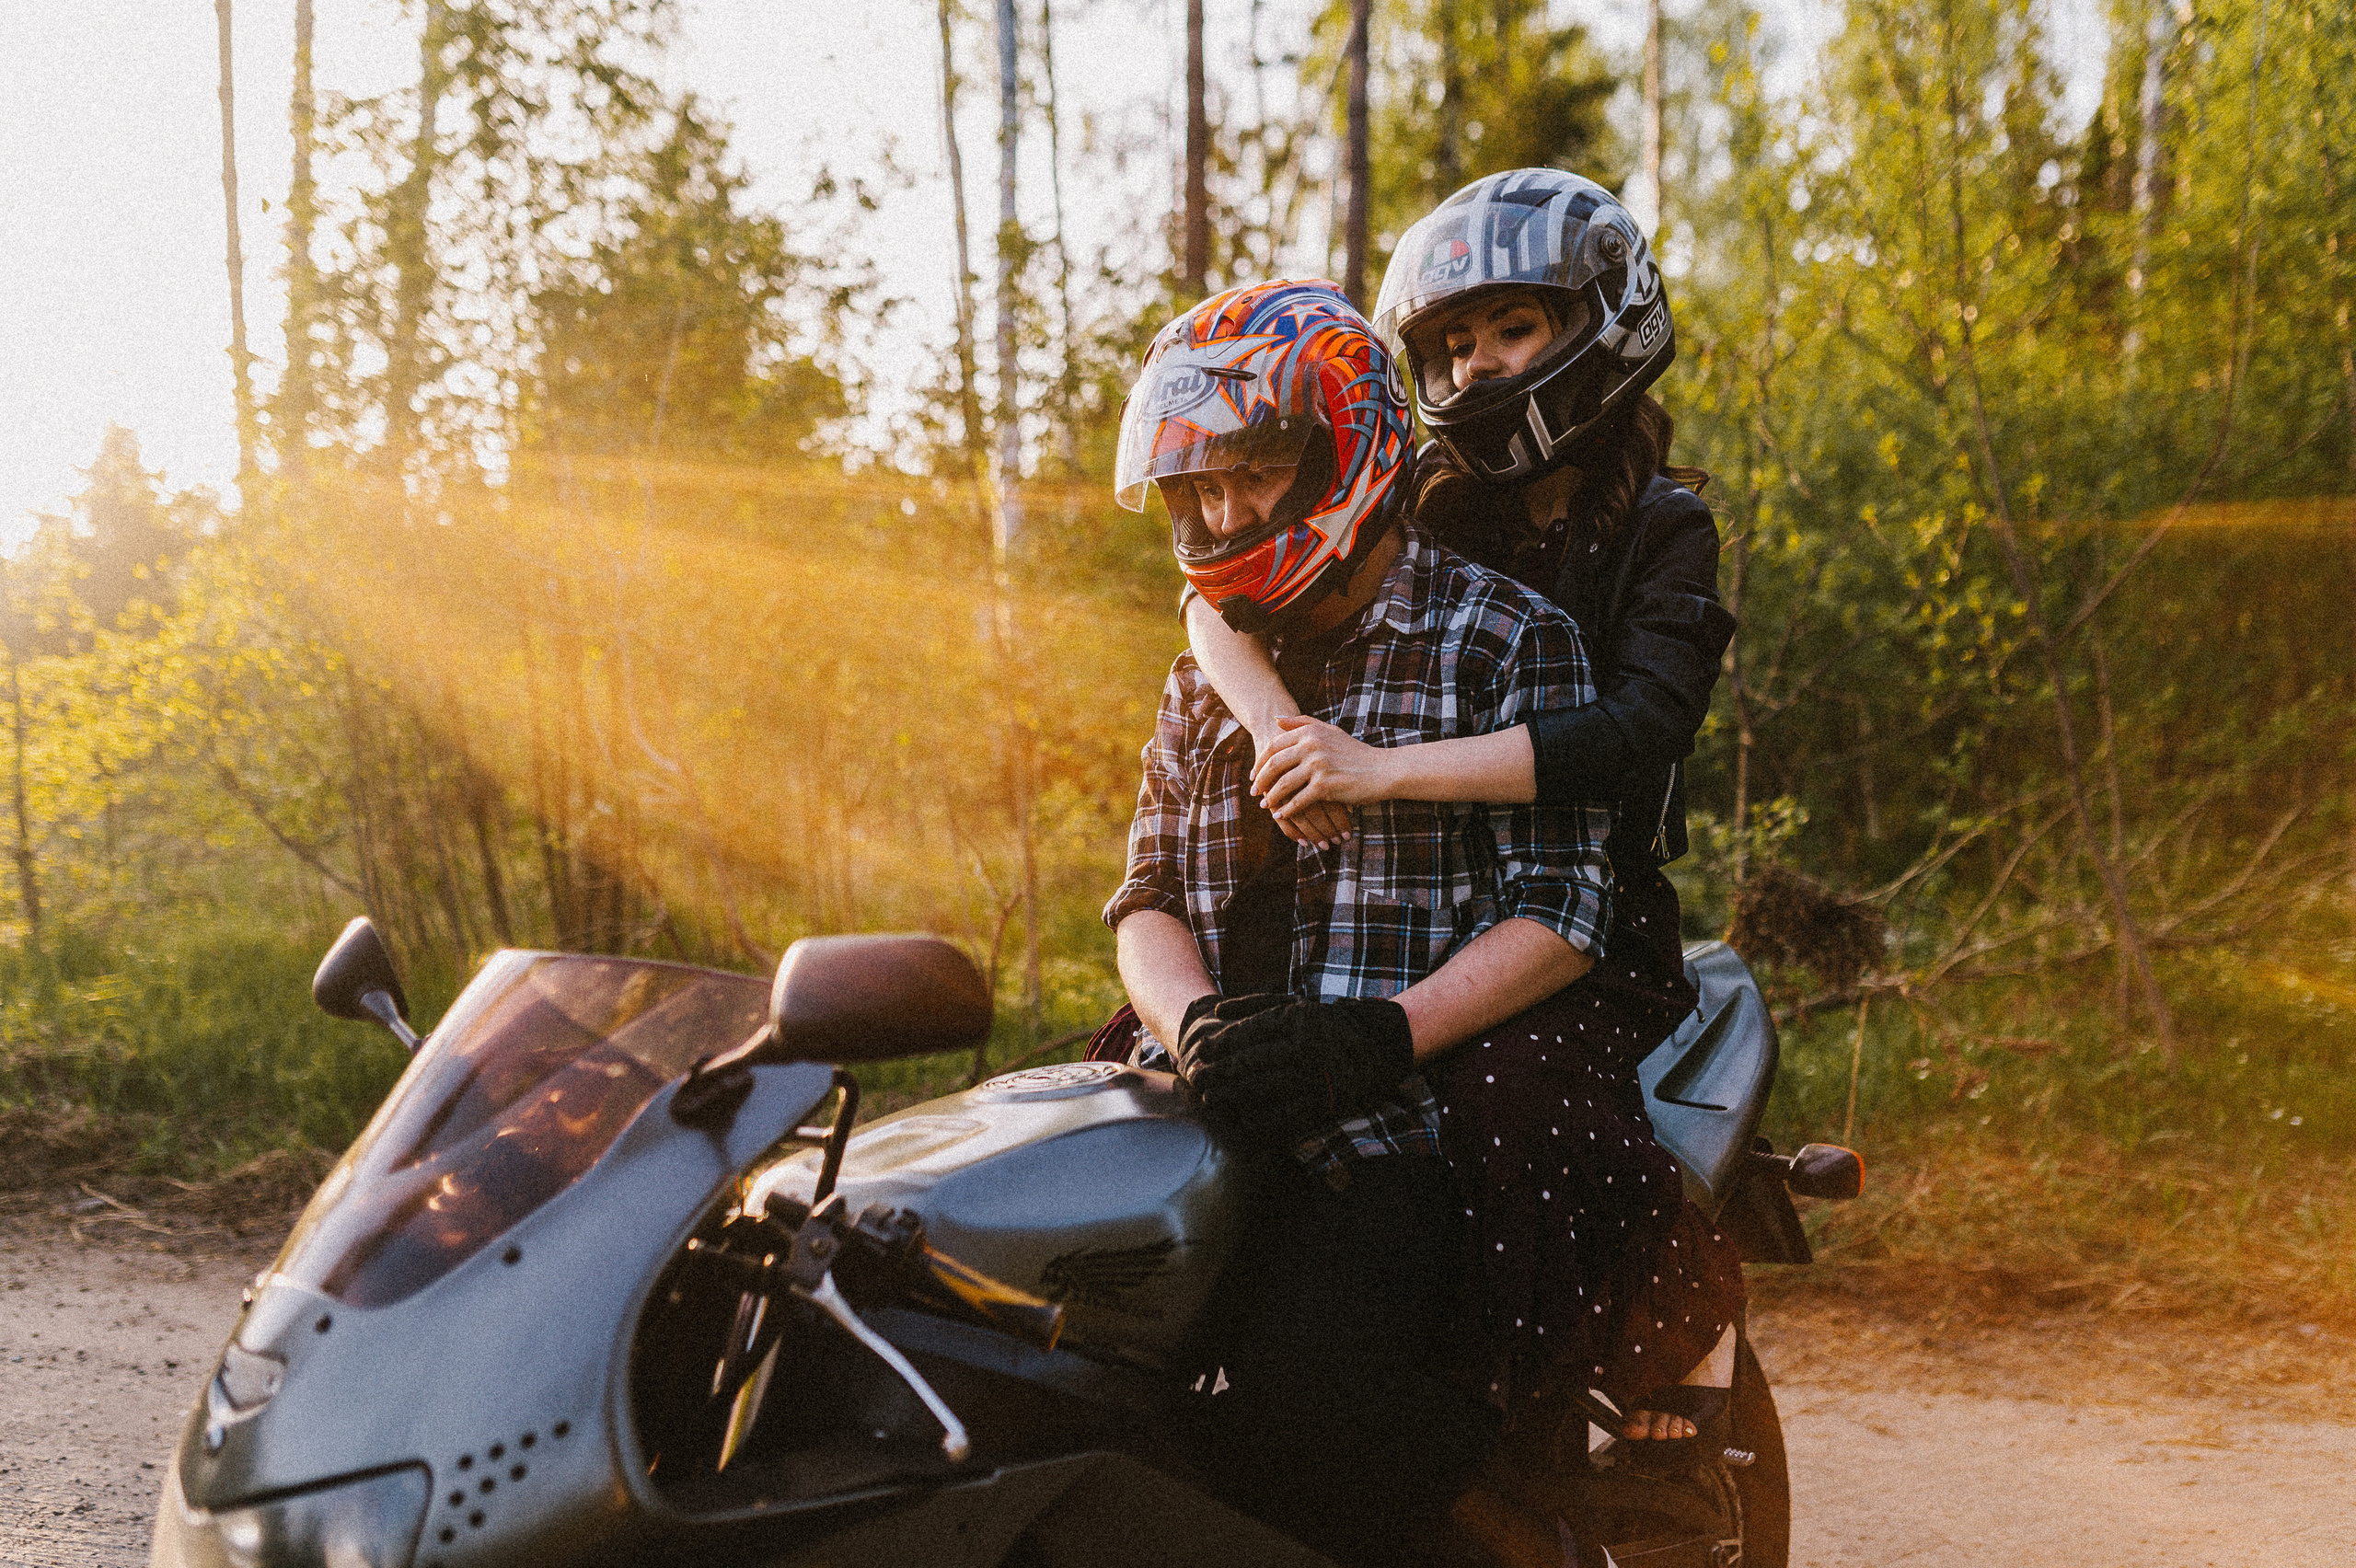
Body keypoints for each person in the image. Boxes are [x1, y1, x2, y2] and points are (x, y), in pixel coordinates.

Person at [1177, 170, 1747, 1472]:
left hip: (1588, 904)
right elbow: (1215, 601)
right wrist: (1280, 729)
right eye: (1447, 345)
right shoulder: (1427, 499)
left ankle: (1682, 1319)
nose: (1476, 364)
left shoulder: (1665, 528)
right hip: (1420, 891)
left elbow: (1636, 730)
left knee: (1514, 1100)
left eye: (1511, 331)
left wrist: (1381, 772)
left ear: (1598, 321)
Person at [1102, 277, 1616, 1565]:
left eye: (1254, 477)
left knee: (1320, 1427)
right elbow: (1145, 895)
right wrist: (1196, 1021)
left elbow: (1565, 909)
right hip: (1201, 1107)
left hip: (1395, 1126)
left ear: (1345, 451)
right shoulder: (1203, 671)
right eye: (1197, 489)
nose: (1222, 515)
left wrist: (1376, 1040)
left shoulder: (1501, 638)